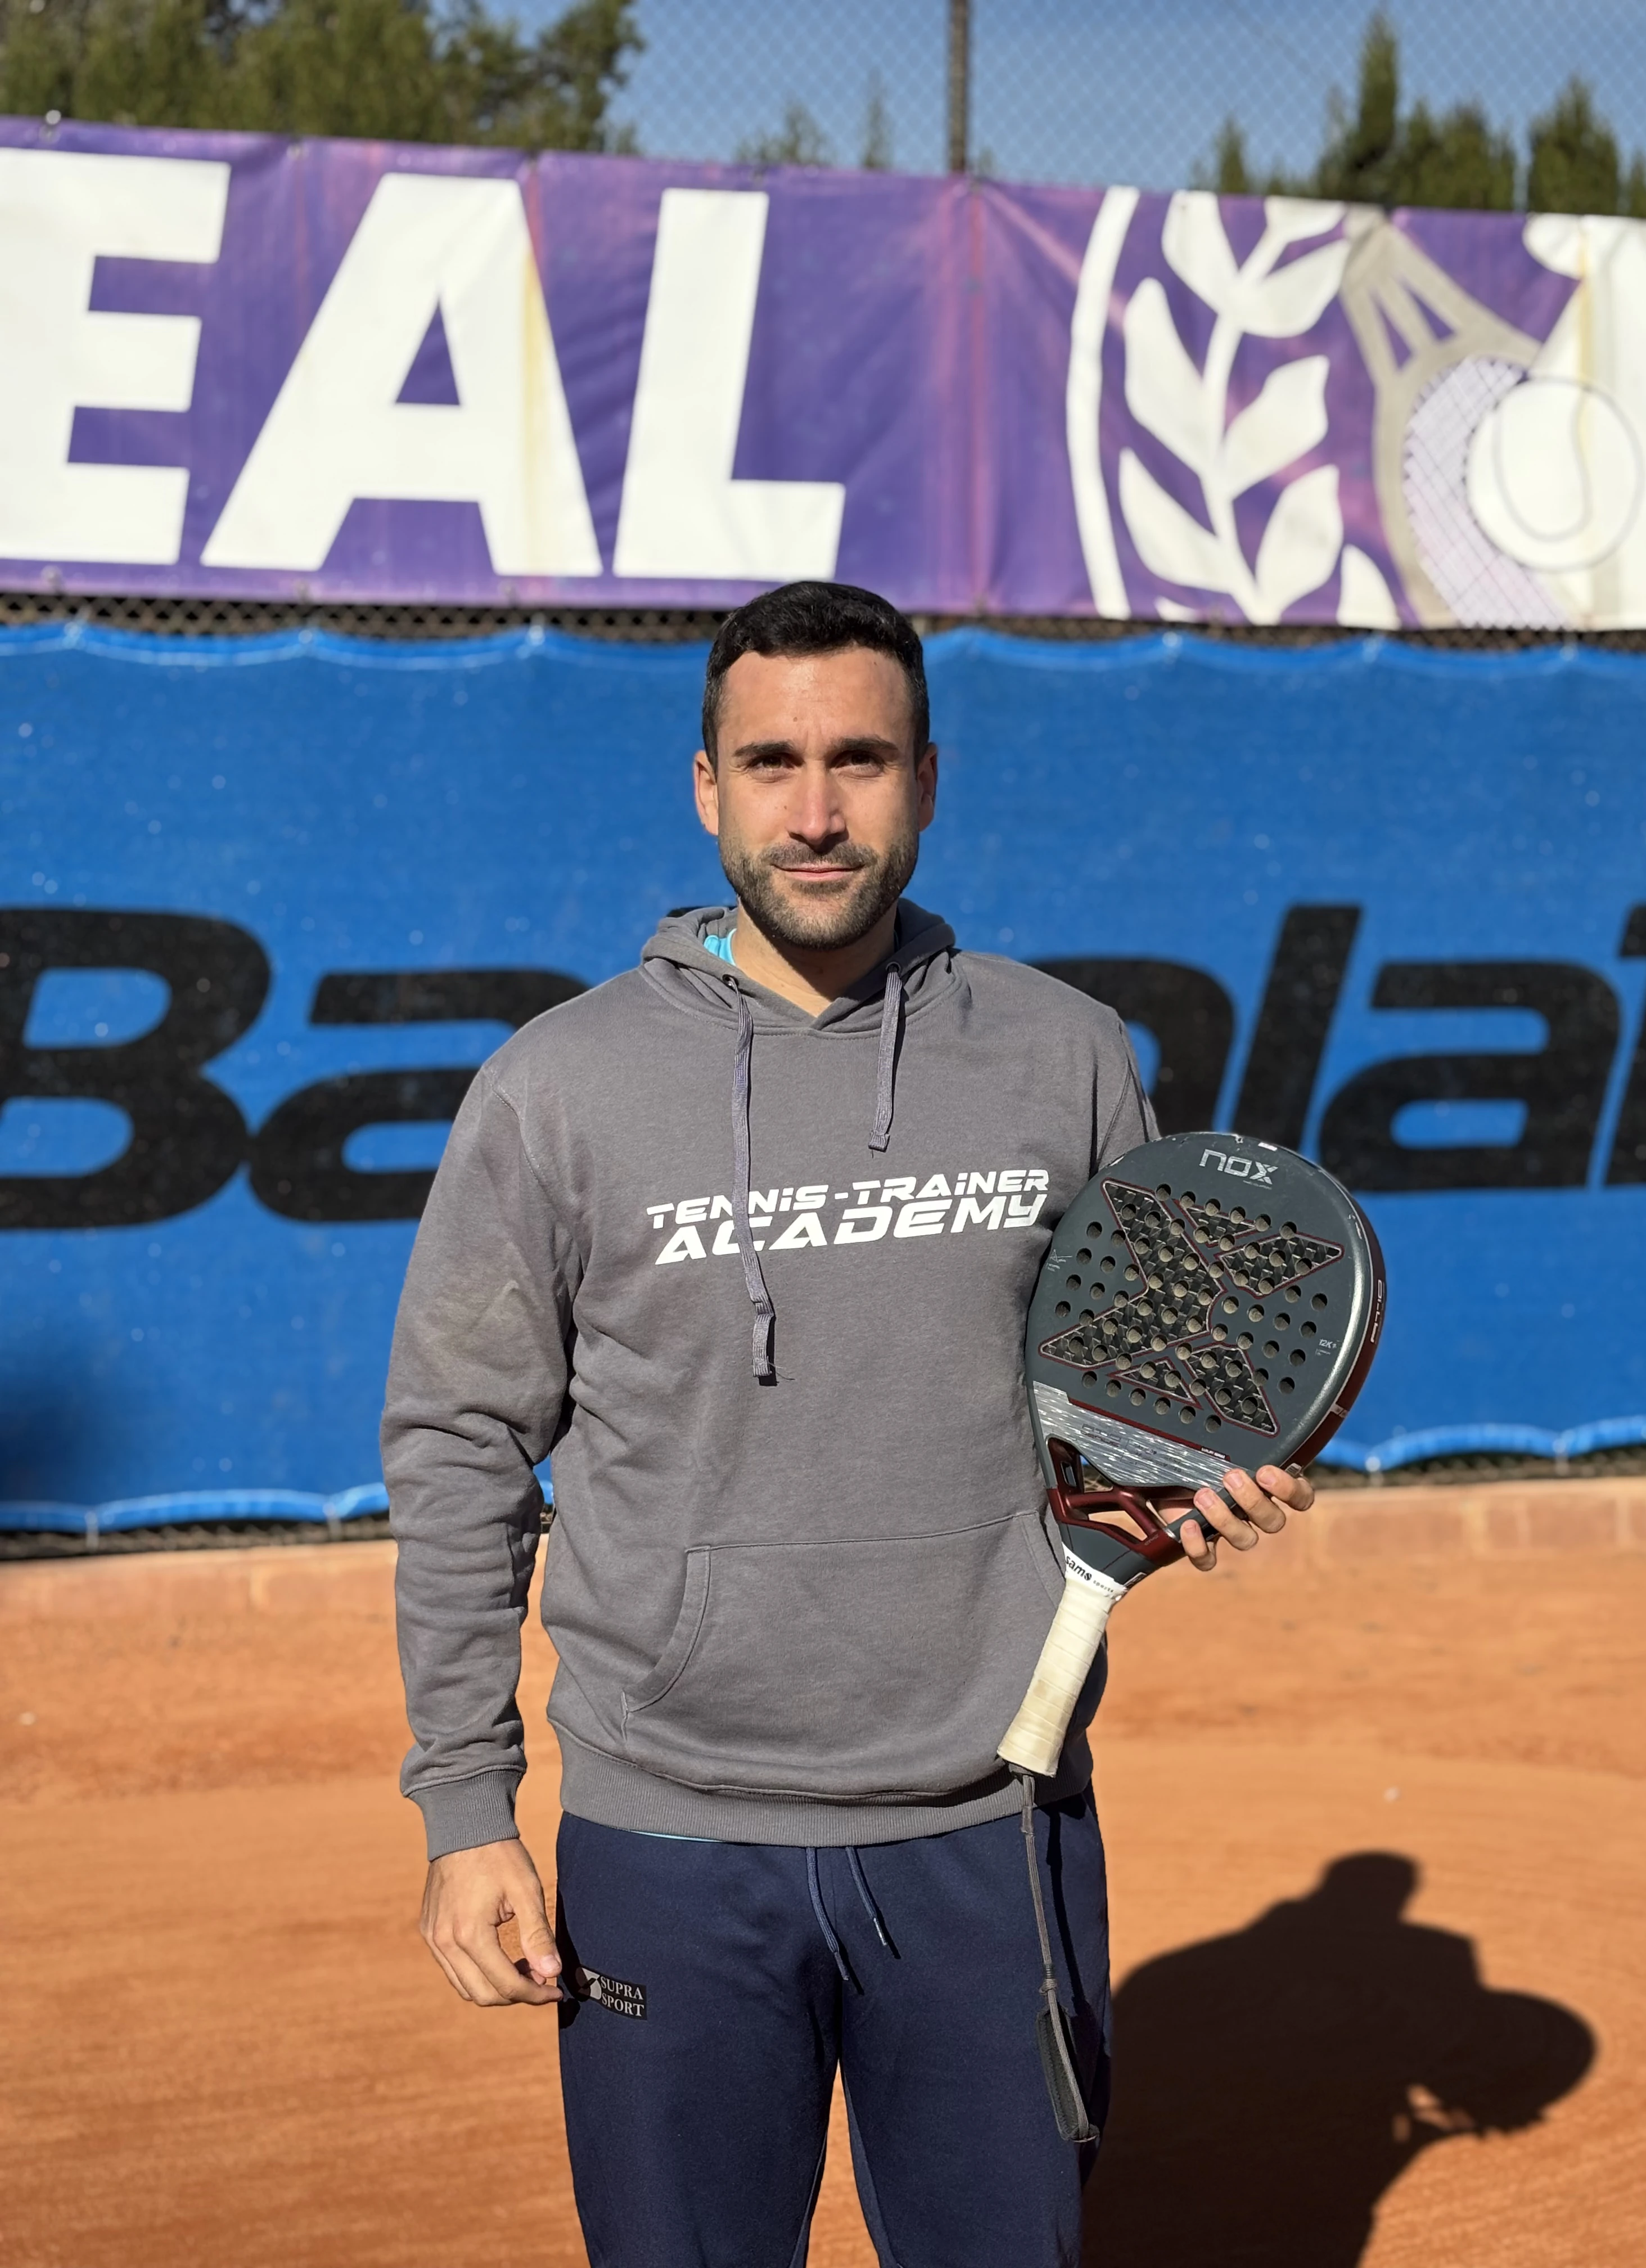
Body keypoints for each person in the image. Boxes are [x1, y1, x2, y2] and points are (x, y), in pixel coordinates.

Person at [384, 580, 1310, 2268]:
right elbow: (457, 1444)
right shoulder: (558, 1087)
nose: (816, 812)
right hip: (670, 1835)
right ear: (706, 786)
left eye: (861, 761)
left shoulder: (1065, 1055)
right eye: (775, 762)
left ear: (930, 780)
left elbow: (1133, 1417)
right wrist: (468, 1813)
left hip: (990, 1825)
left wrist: (1193, 1495)